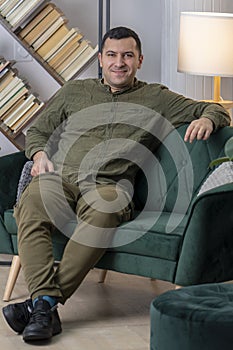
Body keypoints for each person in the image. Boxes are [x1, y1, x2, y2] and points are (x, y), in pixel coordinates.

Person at [2, 26, 230, 343]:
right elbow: (39, 130)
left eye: (127, 56)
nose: (118, 62)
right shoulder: (74, 92)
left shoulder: (157, 97)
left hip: (110, 185)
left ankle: (43, 303)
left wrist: (207, 119)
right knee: (30, 204)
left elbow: (213, 108)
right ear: (101, 59)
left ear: (139, 60)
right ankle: (45, 305)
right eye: (111, 55)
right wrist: (39, 154)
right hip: (61, 177)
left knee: (104, 213)